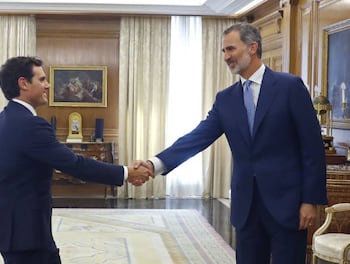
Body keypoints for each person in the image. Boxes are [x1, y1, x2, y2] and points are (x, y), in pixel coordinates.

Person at [136, 23, 327, 264]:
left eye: (230, 49)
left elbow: (312, 148)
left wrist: (310, 201)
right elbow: (197, 137)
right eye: (223, 51)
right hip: (246, 208)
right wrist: (155, 164)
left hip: (287, 205)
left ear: (252, 47)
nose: (226, 57)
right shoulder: (226, 99)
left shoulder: (289, 87)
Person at [0, 56, 152, 264]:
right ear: (23, 83)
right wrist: (126, 172)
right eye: (41, 80)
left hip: (9, 233)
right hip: (28, 236)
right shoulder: (31, 125)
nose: (48, 85)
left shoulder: (0, 121)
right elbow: (75, 164)